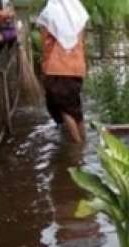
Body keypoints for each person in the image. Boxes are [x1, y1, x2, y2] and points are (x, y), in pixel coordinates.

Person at [37, 0, 88, 144]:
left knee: (64, 108)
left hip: (57, 68)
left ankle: (77, 146)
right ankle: (83, 142)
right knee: (75, 108)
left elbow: (45, 42)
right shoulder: (78, 14)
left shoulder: (50, 14)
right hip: (77, 67)